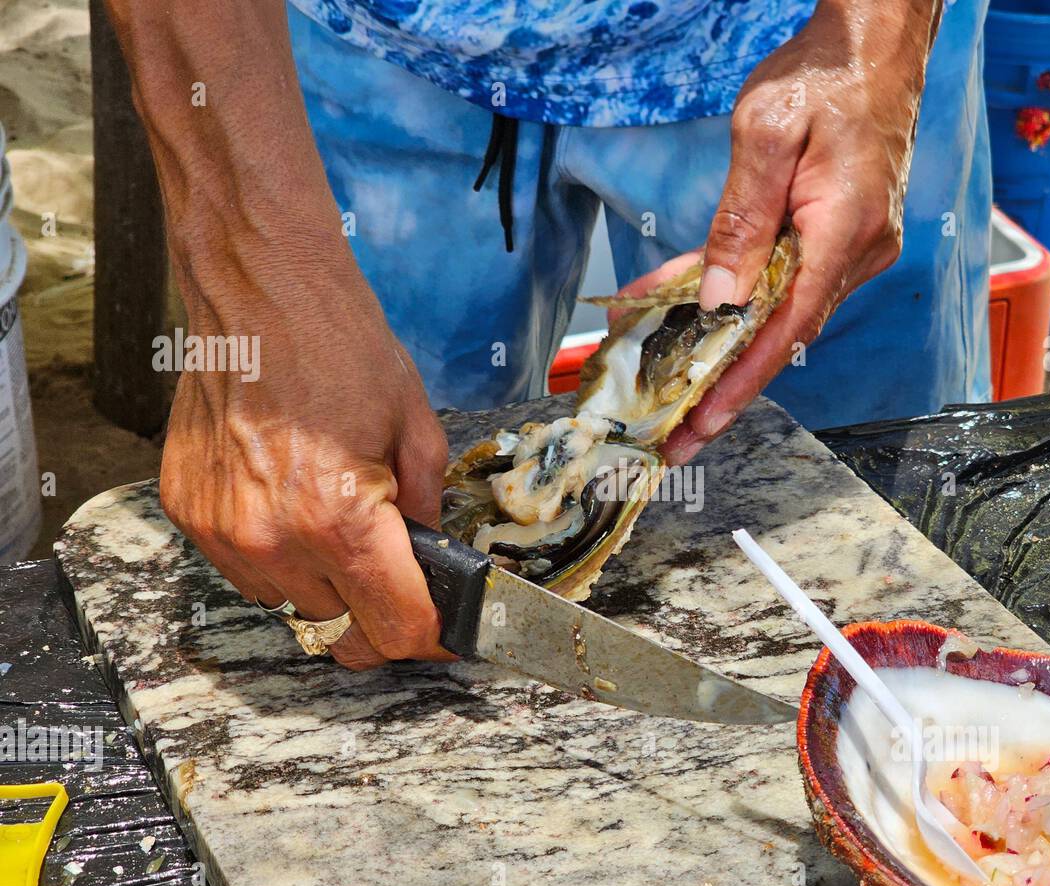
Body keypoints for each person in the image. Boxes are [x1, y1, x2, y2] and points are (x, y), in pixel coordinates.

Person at [104, 0, 990, 668]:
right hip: (359, 55)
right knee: (372, 547)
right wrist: (253, 269)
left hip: (799, 53)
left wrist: (885, 39)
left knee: (870, 573)